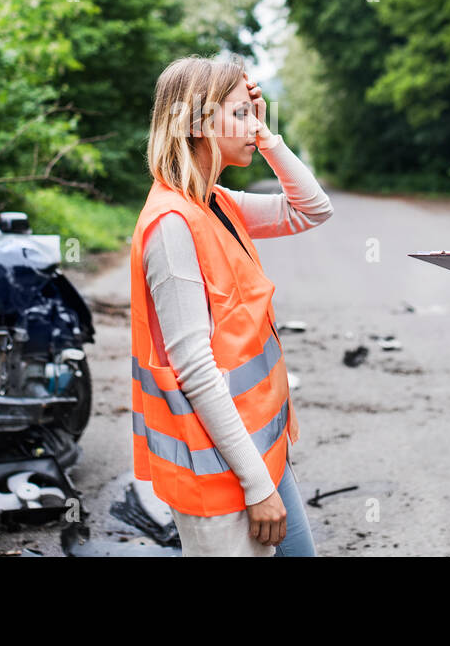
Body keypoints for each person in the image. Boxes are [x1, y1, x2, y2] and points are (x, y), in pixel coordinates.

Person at [129, 54, 332, 556]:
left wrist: (265, 135)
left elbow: (312, 210)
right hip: (221, 474)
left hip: (260, 452)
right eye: (240, 113)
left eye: (252, 112)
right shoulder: (172, 223)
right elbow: (195, 368)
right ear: (196, 123)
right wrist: (256, 486)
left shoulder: (214, 202)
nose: (253, 123)